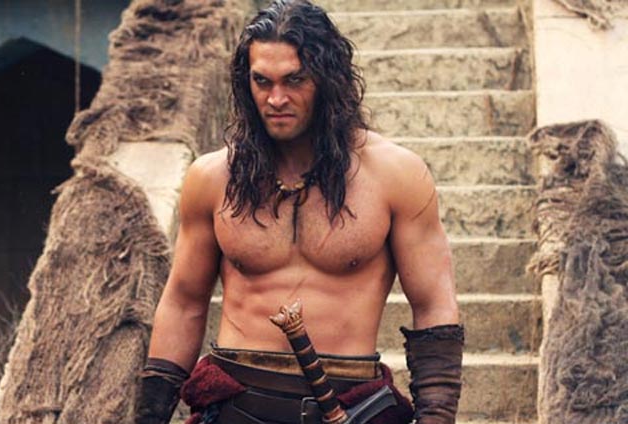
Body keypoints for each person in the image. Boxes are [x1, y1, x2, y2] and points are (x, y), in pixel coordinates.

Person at [135, 1, 464, 423]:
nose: (276, 99)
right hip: (236, 405)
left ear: (328, 80)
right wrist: (149, 417)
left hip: (348, 405)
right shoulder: (213, 177)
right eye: (262, 81)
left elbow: (435, 306)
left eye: (295, 80)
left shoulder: (395, 175)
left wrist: (436, 417)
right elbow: (184, 303)